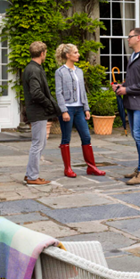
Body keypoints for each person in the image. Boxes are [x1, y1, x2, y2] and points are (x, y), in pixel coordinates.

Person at [54, 43, 106, 177]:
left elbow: (82, 91)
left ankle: (91, 167)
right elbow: (58, 93)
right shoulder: (60, 72)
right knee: (66, 138)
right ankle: (68, 169)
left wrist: (86, 108)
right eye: (75, 52)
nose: (78, 55)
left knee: (86, 136)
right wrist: (64, 110)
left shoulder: (79, 71)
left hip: (79, 109)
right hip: (68, 109)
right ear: (68, 55)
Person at [114, 28, 140, 186]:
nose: (128, 39)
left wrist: (127, 90)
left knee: (139, 135)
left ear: (138, 38)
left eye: (130, 37)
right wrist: (122, 86)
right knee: (136, 135)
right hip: (132, 101)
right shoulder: (134, 56)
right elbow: (135, 80)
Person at [22, 41, 59, 186]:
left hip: (38, 112)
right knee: (37, 144)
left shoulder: (33, 68)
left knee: (40, 143)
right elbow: (36, 93)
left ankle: (30, 174)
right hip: (37, 112)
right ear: (43, 53)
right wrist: (50, 105)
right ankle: (32, 176)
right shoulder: (34, 70)